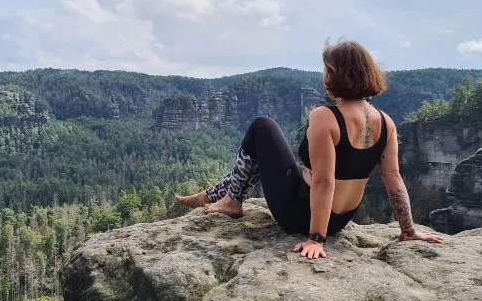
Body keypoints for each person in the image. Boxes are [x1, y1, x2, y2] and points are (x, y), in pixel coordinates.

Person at [175, 40, 444, 260]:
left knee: (262, 126)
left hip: (300, 213)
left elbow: (325, 181)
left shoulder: (325, 116)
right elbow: (393, 179)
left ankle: (232, 200)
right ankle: (216, 194)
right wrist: (408, 230)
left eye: (327, 69)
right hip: (340, 220)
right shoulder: (386, 122)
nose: (323, 75)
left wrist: (316, 239)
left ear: (338, 75)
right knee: (279, 153)